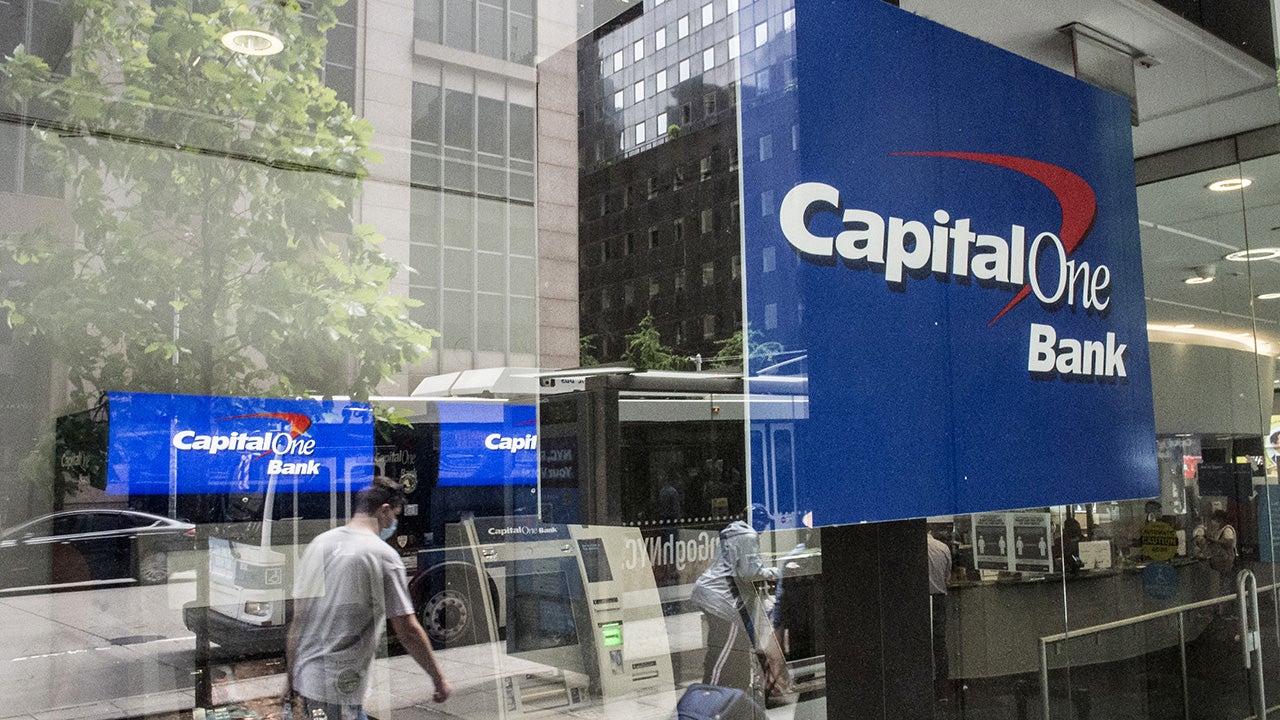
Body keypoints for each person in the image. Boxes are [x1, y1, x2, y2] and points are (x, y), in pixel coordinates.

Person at [286, 476, 450, 720]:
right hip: (341, 687)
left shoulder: (320, 544)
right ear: (384, 510)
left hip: (306, 681)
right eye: (395, 515)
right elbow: (407, 630)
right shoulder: (383, 556)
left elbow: (298, 622)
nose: (394, 523)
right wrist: (438, 678)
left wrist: (290, 680)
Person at [691, 509, 784, 703]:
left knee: (734, 651)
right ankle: (707, 700)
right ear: (755, 521)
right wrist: (775, 572)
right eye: (763, 523)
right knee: (723, 652)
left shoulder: (732, 532)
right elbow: (750, 573)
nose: (764, 528)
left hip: (709, 593)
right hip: (723, 601)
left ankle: (734, 696)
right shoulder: (749, 535)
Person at [926, 529, 953, 702]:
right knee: (939, 646)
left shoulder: (910, 549)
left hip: (918, 601)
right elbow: (947, 579)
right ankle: (942, 690)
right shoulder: (943, 548)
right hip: (938, 600)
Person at [1197, 508, 1238, 598]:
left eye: (1215, 520)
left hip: (1226, 560)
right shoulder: (1218, 530)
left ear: (1220, 520)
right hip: (1220, 561)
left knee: (1225, 582)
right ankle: (1223, 600)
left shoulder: (1227, 530)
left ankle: (1226, 600)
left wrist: (1212, 540)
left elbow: (1228, 543)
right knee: (1222, 582)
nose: (1213, 522)